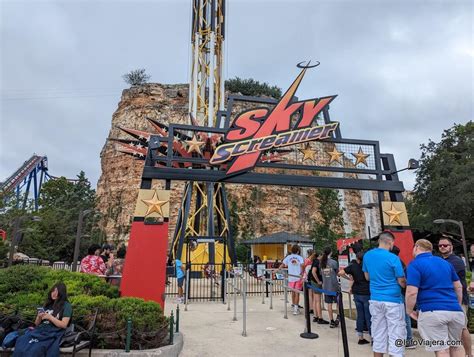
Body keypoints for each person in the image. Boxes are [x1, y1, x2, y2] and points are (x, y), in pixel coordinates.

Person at [406, 239, 465, 357]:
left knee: (442, 349)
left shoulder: (415, 264)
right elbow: (458, 287)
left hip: (432, 311)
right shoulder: (445, 263)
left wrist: (409, 311)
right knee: (456, 345)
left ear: (416, 247)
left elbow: (412, 292)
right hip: (455, 310)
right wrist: (457, 305)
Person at [362, 231, 406, 357]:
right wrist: (406, 285)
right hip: (393, 300)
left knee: (378, 334)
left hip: (375, 299)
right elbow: (401, 280)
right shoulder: (393, 258)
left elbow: (367, 277)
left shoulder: (367, 256)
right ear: (391, 242)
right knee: (396, 335)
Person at [13, 282, 72, 357]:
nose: (54, 293)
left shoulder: (66, 306)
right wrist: (39, 316)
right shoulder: (48, 305)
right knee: (22, 341)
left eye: (56, 291)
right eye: (52, 291)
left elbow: (64, 325)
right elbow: (36, 324)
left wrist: (50, 317)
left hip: (53, 332)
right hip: (40, 330)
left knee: (35, 349)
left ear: (61, 293)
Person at [438, 235, 472, 357]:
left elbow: (443, 278)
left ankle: (469, 354)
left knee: (462, 329)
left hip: (459, 300)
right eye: (440, 245)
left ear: (451, 247)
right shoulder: (441, 261)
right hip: (446, 300)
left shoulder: (456, 261)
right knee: (451, 330)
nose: (442, 247)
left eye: (445, 245)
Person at [338, 251, 371, 344]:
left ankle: (360, 338)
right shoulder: (368, 266)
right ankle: (373, 338)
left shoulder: (353, 266)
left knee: (360, 316)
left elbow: (340, 273)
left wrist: (349, 278)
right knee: (369, 316)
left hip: (357, 293)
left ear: (357, 259)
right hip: (367, 293)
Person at [390, 245, 416, 349]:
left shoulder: (395, 262)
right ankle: (407, 339)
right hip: (400, 291)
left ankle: (408, 339)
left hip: (399, 292)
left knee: (404, 316)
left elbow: (401, 279)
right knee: (403, 316)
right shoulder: (401, 261)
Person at [281, 244, 304, 315]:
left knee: (293, 292)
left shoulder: (288, 257)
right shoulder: (299, 257)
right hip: (298, 277)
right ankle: (296, 309)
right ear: (298, 251)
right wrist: (302, 273)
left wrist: (277, 270)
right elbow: (302, 265)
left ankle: (294, 305)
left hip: (291, 277)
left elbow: (283, 264)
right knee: (297, 293)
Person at [320, 247, 340, 328]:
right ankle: (338, 316)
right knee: (338, 302)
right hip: (334, 285)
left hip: (326, 286)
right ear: (330, 253)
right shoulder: (333, 262)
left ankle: (331, 320)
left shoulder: (321, 263)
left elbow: (322, 274)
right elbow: (337, 272)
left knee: (329, 304)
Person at [309, 251, 328, 324]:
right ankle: (320, 317)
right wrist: (318, 281)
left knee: (315, 300)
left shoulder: (315, 261)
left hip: (313, 282)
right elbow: (313, 272)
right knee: (318, 301)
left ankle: (315, 315)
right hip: (316, 283)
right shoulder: (317, 262)